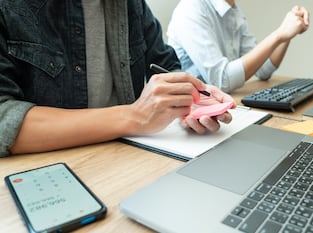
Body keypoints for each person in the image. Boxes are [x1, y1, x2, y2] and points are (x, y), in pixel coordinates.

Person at [0, 0, 235, 157]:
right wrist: (135, 117)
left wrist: (192, 100)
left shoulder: (132, 5)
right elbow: (4, 119)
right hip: (51, 173)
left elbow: (167, 67)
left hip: (128, 160)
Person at [167, 0, 310, 93]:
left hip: (222, 105)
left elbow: (264, 69)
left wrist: (287, 34)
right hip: (192, 113)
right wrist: (280, 33)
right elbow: (221, 81)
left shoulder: (234, 11)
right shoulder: (191, 8)